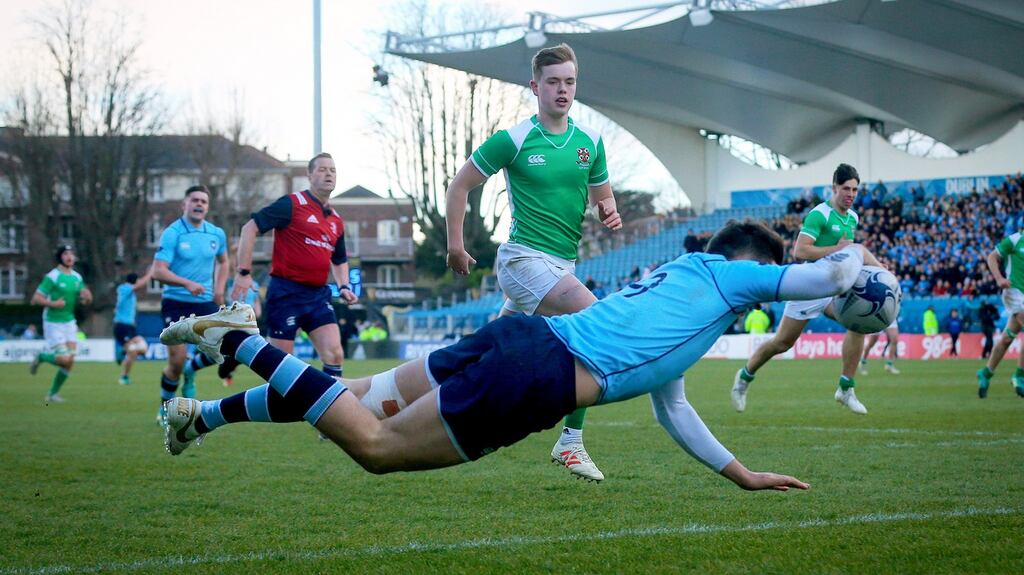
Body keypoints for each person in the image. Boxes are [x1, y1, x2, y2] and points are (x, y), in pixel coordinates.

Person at [159, 221, 880, 493]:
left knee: (364, 393)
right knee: (373, 445)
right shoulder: (731, 273)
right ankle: (235, 338)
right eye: (764, 279)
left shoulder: (684, 291)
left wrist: (743, 474)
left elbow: (677, 407)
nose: (764, 295)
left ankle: (205, 415)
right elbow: (826, 277)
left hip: (521, 338)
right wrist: (864, 261)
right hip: (535, 373)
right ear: (749, 264)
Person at [444, 43, 622, 481]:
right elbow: (459, 186)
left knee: (487, 352)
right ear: (535, 86)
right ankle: (571, 442)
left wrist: (609, 211)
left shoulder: (590, 142)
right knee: (592, 325)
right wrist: (454, 245)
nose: (563, 90)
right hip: (522, 260)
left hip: (563, 266)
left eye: (570, 82)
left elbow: (603, 196)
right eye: (554, 82)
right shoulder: (514, 139)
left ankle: (416, 397)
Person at [730, 164, 870, 415]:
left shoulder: (853, 218)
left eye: (855, 190)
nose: (851, 194)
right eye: (846, 188)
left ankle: (846, 388)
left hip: (832, 289)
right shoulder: (820, 214)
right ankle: (744, 377)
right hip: (808, 286)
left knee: (859, 322)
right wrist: (836, 250)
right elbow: (801, 251)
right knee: (782, 343)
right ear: (834, 188)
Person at [231, 152, 358, 383]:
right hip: (286, 293)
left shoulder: (336, 220)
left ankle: (331, 412)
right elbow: (250, 228)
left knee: (335, 354)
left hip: (318, 296)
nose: (328, 174)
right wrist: (243, 273)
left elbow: (339, 260)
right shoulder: (292, 204)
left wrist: (344, 286)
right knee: (281, 367)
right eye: (322, 169)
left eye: (333, 170)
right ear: (309, 175)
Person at [151, 185, 229, 425]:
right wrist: (186, 283)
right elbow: (157, 271)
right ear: (184, 204)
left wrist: (218, 289)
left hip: (204, 303)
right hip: (175, 303)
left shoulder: (216, 234)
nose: (199, 205)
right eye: (194, 200)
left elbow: (224, 262)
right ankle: (165, 410)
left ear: (207, 207)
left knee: (226, 348)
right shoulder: (173, 233)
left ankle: (191, 369)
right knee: (175, 362)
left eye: (203, 202)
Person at [29, 245, 93, 403]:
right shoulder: (53, 276)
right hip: (53, 322)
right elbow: (36, 298)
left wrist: (86, 298)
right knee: (64, 359)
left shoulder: (76, 277)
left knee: (70, 361)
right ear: (60, 257)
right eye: (65, 254)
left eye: (72, 253)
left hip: (69, 322)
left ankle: (52, 394)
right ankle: (41, 356)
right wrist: (52, 304)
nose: (69, 256)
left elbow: (86, 298)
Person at [976, 232, 1024, 398]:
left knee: (1007, 338)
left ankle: (986, 373)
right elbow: (992, 257)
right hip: (1014, 291)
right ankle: (1019, 375)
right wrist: (999, 279)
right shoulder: (1015, 239)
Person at [217, 277, 262, 387]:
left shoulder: (254, 284)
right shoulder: (230, 282)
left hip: (249, 322)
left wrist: (257, 313)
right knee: (234, 351)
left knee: (243, 351)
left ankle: (228, 370)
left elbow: (257, 304)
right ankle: (227, 371)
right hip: (233, 322)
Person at [114, 268, 153, 386]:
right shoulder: (124, 288)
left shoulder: (130, 292)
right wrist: (151, 273)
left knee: (143, 348)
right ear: (135, 282)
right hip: (121, 326)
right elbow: (140, 284)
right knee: (132, 351)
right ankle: (124, 377)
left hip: (130, 327)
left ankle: (121, 350)